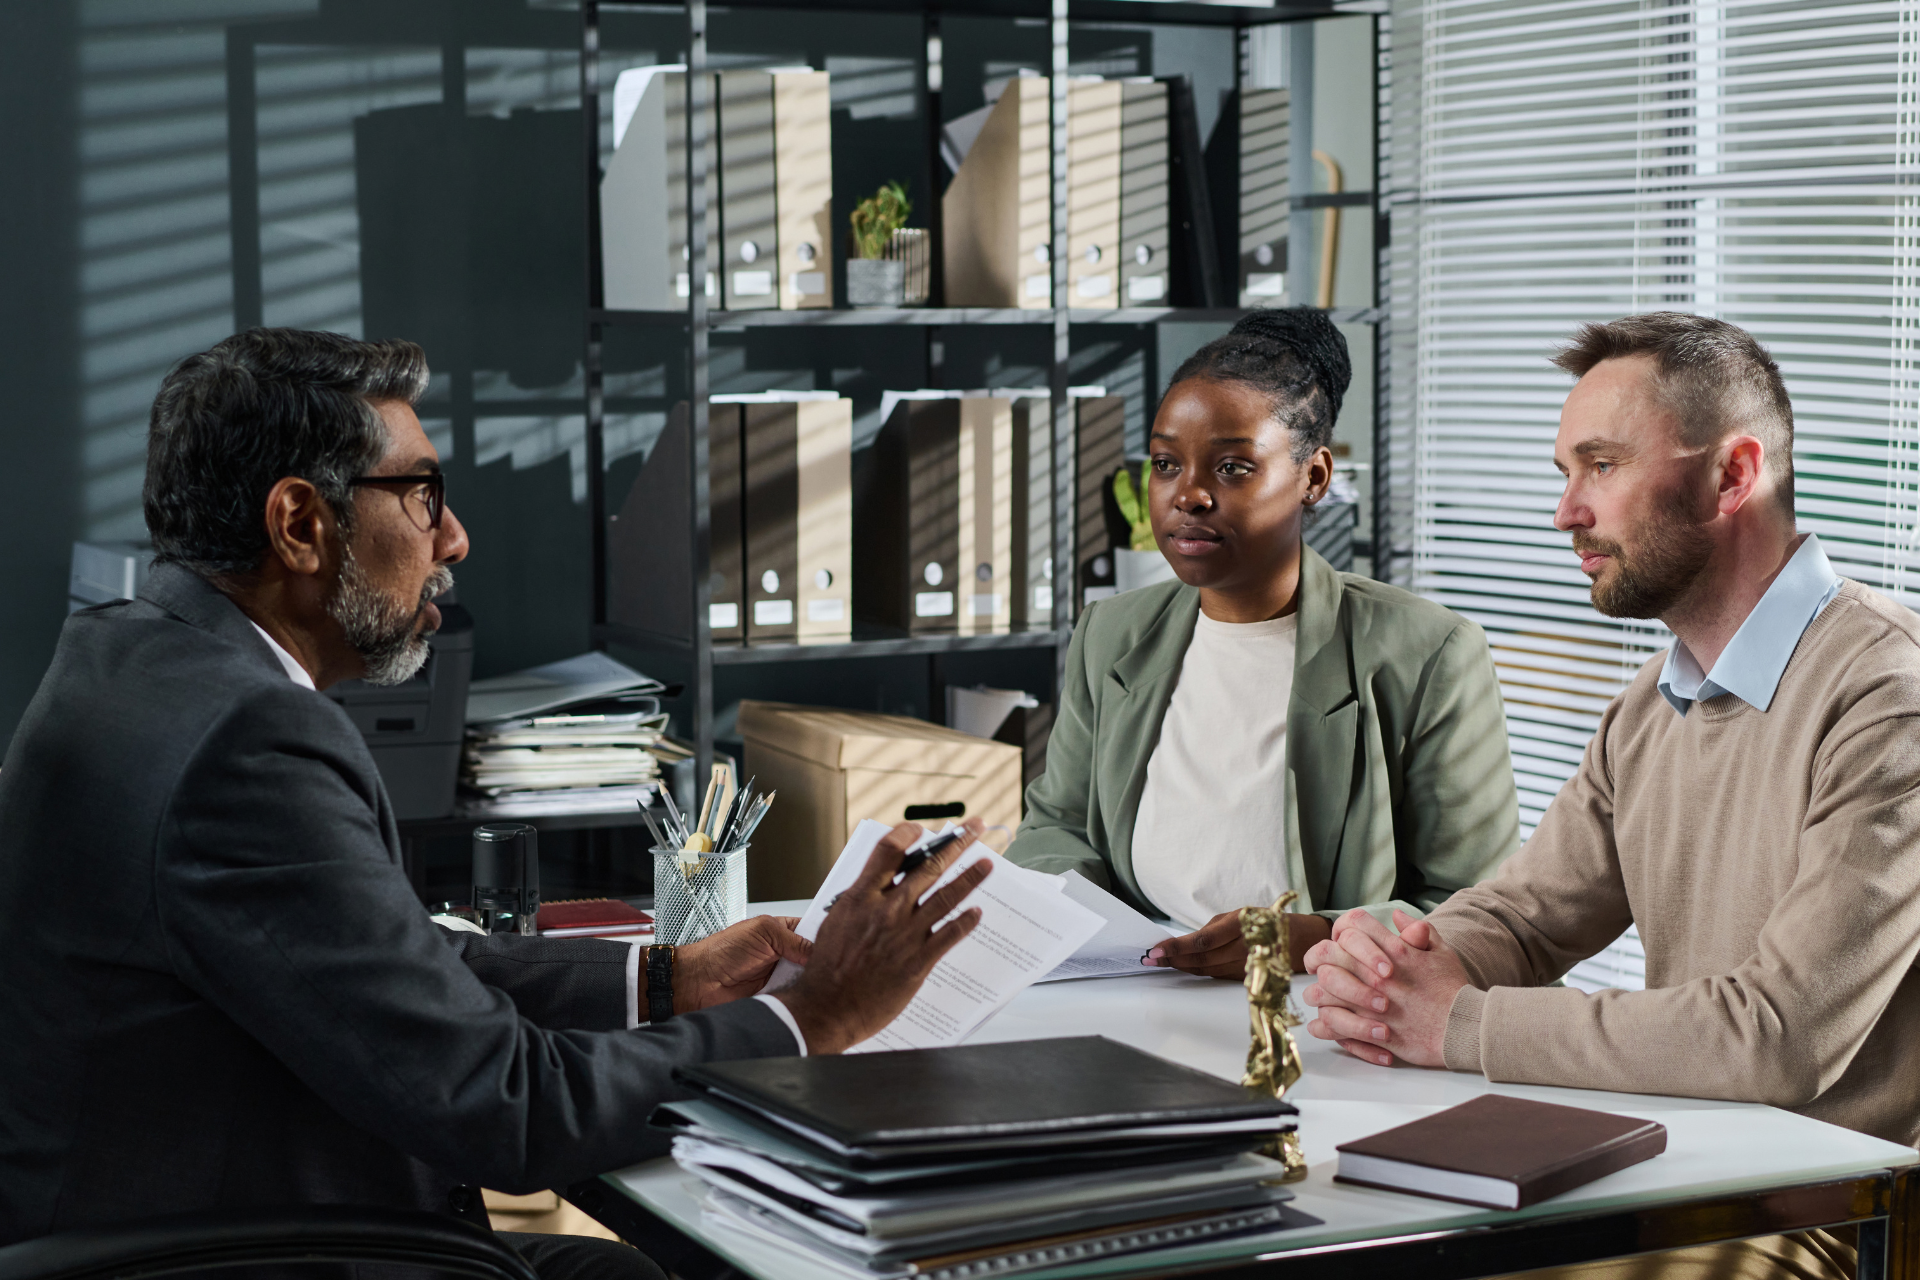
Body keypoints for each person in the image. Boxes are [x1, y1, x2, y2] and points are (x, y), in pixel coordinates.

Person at [0, 329, 994, 1279]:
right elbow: (508, 1107)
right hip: (253, 1249)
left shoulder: (127, 652)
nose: (457, 538)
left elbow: (385, 958)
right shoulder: (248, 744)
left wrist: (664, 979)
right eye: (423, 495)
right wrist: (810, 1017)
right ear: (301, 524)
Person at [1303, 312, 1920, 1280]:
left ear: (1732, 474)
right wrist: (1403, 969)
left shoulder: (1888, 696)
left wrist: (1458, 1023)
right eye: (1565, 471)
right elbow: (1529, 913)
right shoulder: (1649, 704)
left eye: (1601, 465)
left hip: (1830, 1215)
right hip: (1677, 1172)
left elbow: (1779, 1036)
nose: (1566, 512)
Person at [1008, 308, 1520, 976]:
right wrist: (1094, 926)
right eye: (1166, 463)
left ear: (1314, 478)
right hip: (1132, 983)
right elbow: (1056, 827)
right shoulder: (1112, 634)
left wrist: (1304, 938)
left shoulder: (1426, 653)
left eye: (1233, 469)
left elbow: (1480, 910)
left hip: (1319, 1007)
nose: (1187, 495)